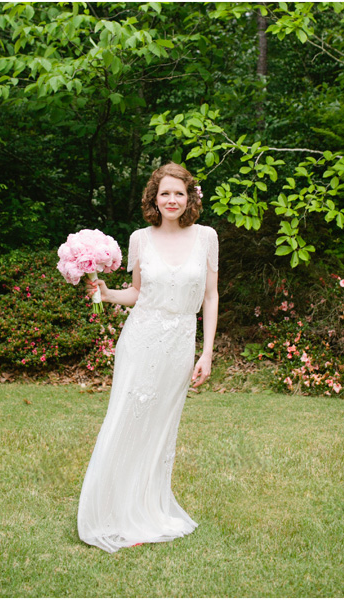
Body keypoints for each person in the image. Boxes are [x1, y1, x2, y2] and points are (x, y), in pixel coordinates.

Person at [76, 162, 219, 553]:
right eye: (164, 193)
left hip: (179, 343)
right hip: (139, 341)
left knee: (160, 428)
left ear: (190, 197)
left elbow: (210, 296)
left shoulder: (207, 237)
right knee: (126, 419)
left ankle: (146, 508)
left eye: (179, 193)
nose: (171, 200)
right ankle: (113, 512)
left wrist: (206, 352)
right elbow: (137, 294)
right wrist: (106, 293)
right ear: (153, 199)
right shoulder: (140, 238)